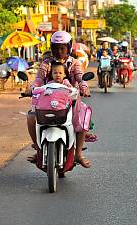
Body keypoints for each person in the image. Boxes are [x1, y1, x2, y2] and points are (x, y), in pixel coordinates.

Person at [27, 31, 91, 168]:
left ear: (69, 47)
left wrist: (84, 87)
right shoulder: (46, 63)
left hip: (70, 100)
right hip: (47, 100)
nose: (59, 51)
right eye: (56, 47)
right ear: (51, 48)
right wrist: (31, 88)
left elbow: (80, 78)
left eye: (62, 48)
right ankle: (39, 149)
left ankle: (78, 154)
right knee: (31, 117)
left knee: (83, 116)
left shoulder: (74, 63)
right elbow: (38, 79)